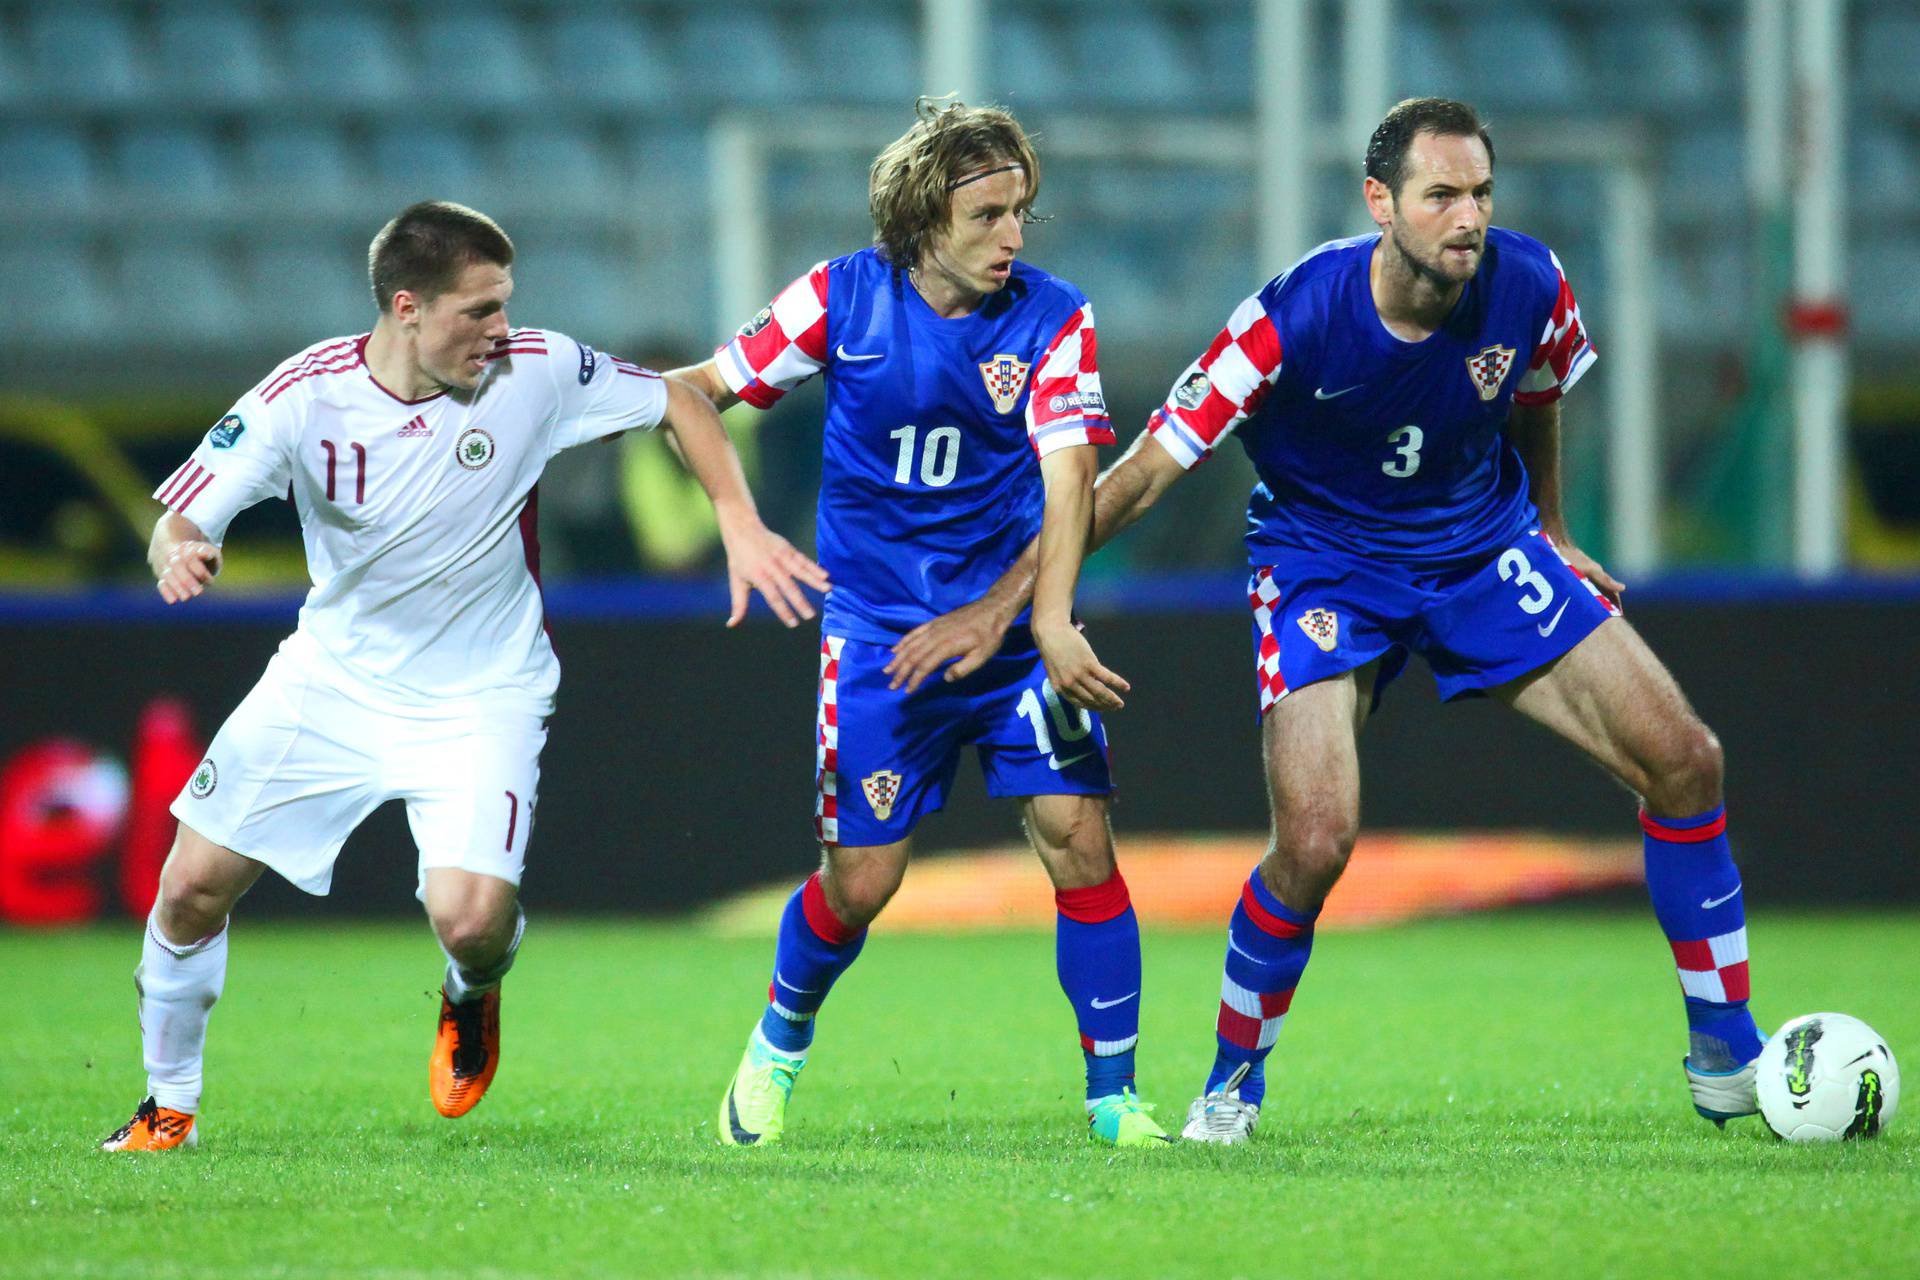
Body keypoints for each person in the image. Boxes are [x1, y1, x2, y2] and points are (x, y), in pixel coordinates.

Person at [890, 98, 1765, 1145]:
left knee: (1687, 758)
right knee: (1314, 838)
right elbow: (1141, 473)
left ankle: (1728, 1049)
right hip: (1323, 567)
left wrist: (1554, 527)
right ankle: (1231, 1077)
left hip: (1481, 549)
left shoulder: (1530, 281)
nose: (1468, 218)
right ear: (1380, 202)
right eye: (1441, 194)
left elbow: (1537, 391)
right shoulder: (1291, 316)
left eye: (1481, 193)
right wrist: (1013, 603)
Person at [101, 201, 826, 1151]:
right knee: (190, 888)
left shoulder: (536, 370)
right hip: (333, 682)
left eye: (504, 305)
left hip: (485, 693)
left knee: (472, 921)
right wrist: (179, 553)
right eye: (477, 311)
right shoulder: (303, 397)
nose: (499, 330)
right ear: (406, 307)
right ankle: (169, 1106)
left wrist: (736, 518)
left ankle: (472, 989)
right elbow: (183, 517)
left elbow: (679, 399)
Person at [672, 99, 1166, 1148]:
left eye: (1021, 212)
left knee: (1080, 838)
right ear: (922, 215)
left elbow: (1070, 475)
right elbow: (690, 394)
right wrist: (740, 523)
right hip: (880, 638)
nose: (1013, 237)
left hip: (1014, 637)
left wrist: (1040, 616)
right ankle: (778, 1040)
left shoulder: (1051, 314)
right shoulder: (841, 299)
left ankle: (1116, 1098)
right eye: (988, 214)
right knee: (863, 879)